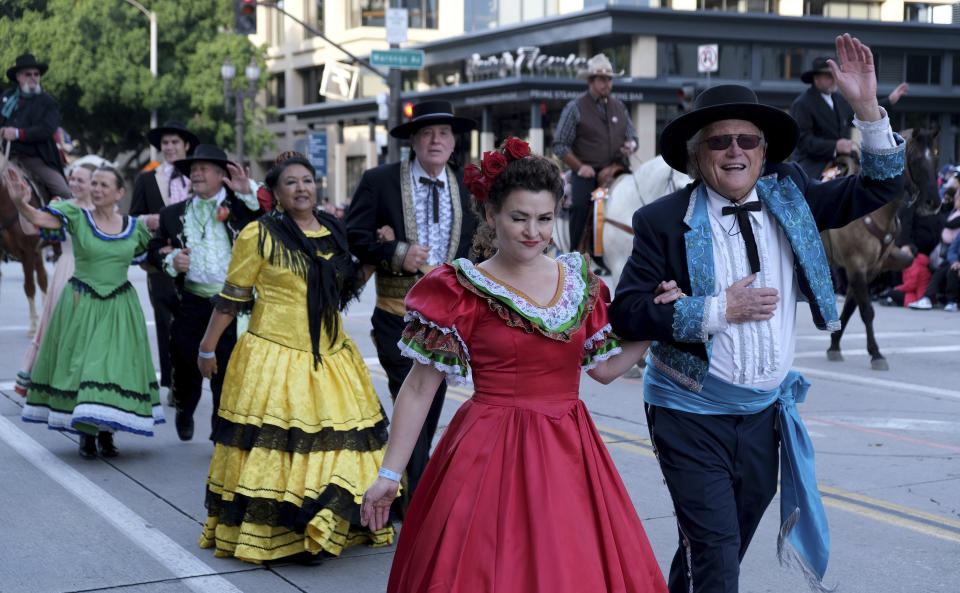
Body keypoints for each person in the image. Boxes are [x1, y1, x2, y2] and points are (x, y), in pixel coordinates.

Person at [609, 34, 905, 593]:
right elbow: (626, 313)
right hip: (689, 414)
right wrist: (717, 309)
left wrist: (867, 110)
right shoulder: (663, 220)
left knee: (718, 546)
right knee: (717, 555)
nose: (735, 151)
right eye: (720, 141)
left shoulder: (790, 195)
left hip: (764, 418)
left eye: (747, 139)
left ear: (765, 152)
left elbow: (883, 184)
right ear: (697, 155)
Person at [361, 139, 672, 593]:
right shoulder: (461, 287)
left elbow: (605, 370)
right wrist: (389, 476)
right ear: (491, 216)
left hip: (570, 450)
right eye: (518, 217)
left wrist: (658, 320)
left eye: (544, 219)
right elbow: (418, 389)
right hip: (489, 452)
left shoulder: (579, 282)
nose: (533, 232)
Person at [194, 151, 394, 564]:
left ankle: (322, 525)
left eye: (307, 180)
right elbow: (233, 298)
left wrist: (378, 254)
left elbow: (344, 288)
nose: (302, 188)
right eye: (291, 182)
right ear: (276, 194)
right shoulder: (259, 234)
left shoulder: (333, 228)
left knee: (337, 445)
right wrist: (207, 347)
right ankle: (288, 532)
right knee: (282, 450)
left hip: (331, 354)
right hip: (274, 356)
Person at [346, 100, 477, 508]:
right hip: (396, 314)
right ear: (413, 142)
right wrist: (395, 250)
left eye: (443, 133)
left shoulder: (468, 188)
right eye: (426, 133)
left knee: (432, 403)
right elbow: (352, 234)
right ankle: (416, 500)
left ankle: (404, 485)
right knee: (410, 397)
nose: (435, 140)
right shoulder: (380, 180)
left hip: (450, 322)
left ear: (453, 143)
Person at [5, 165, 164, 458]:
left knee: (112, 368)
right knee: (86, 366)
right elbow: (38, 218)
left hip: (120, 307)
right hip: (82, 302)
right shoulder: (76, 216)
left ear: (120, 192)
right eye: (95, 184)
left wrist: (173, 260)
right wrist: (19, 203)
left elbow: (150, 260)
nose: (98, 189)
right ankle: (87, 436)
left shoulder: (134, 228)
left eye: (105, 185)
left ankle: (106, 433)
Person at [146, 144, 262, 441]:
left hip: (233, 303)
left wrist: (247, 188)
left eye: (203, 169)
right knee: (186, 367)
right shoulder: (172, 214)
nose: (196, 175)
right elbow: (154, 249)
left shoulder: (243, 207)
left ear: (222, 175)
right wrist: (171, 260)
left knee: (227, 369)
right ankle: (184, 409)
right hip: (192, 302)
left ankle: (218, 426)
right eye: (193, 170)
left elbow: (274, 209)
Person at [130, 121, 200, 407]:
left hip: (197, 264)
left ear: (186, 146)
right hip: (159, 264)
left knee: (194, 323)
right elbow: (134, 218)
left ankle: (189, 378)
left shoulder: (199, 178)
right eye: (166, 143)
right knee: (164, 324)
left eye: (175, 143)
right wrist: (151, 222)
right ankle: (172, 385)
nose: (170, 148)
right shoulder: (147, 179)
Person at [15, 162, 97, 396]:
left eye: (81, 180)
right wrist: (23, 204)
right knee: (64, 331)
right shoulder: (62, 207)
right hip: (68, 272)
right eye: (73, 178)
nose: (74, 183)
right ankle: (62, 385)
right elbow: (31, 229)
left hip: (98, 275)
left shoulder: (107, 211)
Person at [552, 53, 638, 268]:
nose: (606, 84)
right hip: (587, 172)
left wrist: (631, 145)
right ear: (591, 81)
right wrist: (580, 168)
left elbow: (633, 135)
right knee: (580, 204)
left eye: (609, 80)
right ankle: (574, 254)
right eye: (601, 80)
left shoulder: (620, 107)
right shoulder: (575, 107)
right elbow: (560, 145)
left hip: (617, 169)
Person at [791, 55, 908, 180]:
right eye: (828, 76)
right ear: (816, 78)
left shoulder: (838, 99)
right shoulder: (802, 103)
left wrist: (889, 101)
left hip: (841, 160)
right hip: (812, 163)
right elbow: (802, 141)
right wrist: (835, 146)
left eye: (835, 76)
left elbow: (861, 112)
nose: (833, 80)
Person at [0, 53, 72, 200]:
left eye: (36, 74)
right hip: (3, 155)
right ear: (19, 77)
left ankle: (71, 220)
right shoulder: (7, 96)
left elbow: (47, 129)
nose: (33, 77)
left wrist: (18, 134)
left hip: (33, 157)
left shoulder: (48, 102)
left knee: (64, 192)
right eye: (28, 74)